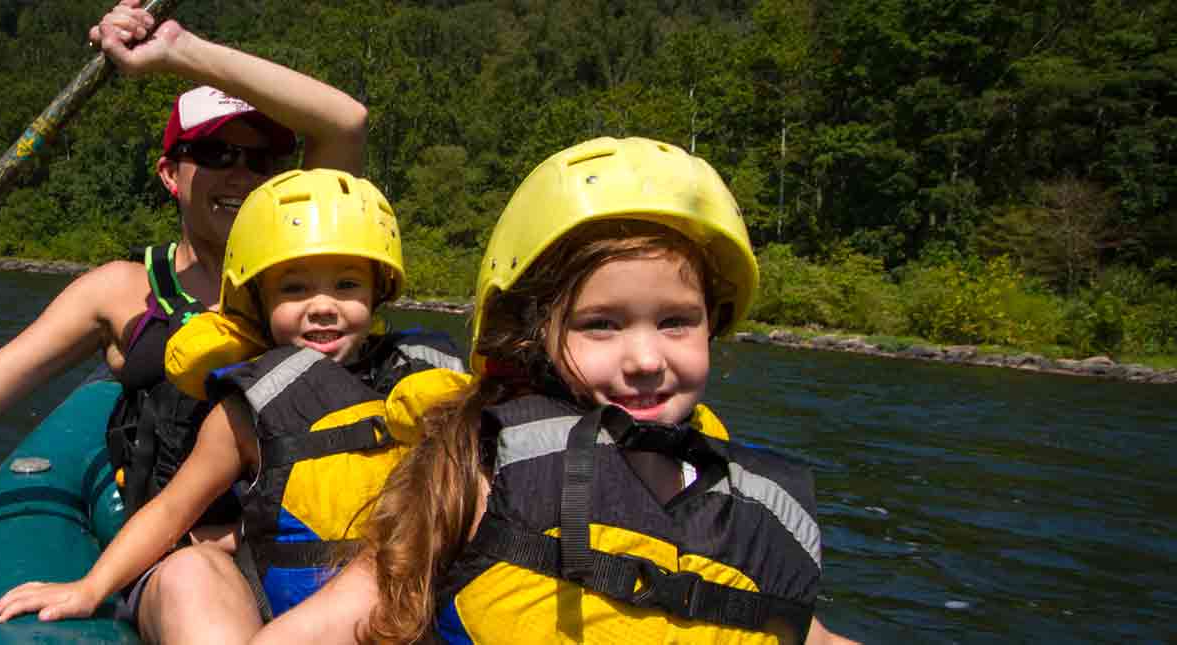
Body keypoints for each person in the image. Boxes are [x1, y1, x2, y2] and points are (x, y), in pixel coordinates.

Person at [0, 0, 364, 626]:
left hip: (312, 536)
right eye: (215, 154)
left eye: (261, 158)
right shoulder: (121, 291)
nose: (241, 173)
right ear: (170, 173)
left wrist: (176, 50)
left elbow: (345, 122)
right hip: (191, 554)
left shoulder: (300, 274)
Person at [249, 137, 858, 644]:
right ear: (534, 335)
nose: (645, 360)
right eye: (601, 325)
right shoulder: (478, 467)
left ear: (713, 322)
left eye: (676, 321)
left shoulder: (749, 506)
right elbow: (332, 620)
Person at [0, 168, 468, 644]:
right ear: (256, 301)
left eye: (346, 285)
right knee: (187, 571)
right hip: (271, 606)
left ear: (377, 291)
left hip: (393, 611)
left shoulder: (427, 387)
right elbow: (171, 510)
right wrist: (89, 588)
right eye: (294, 289)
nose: (323, 306)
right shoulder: (245, 408)